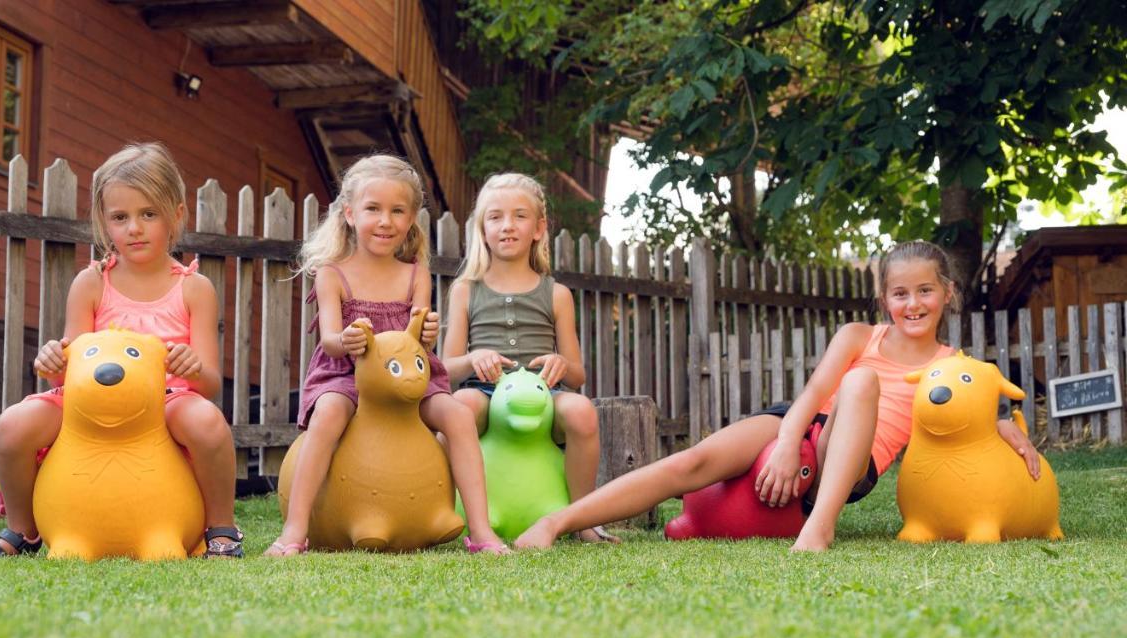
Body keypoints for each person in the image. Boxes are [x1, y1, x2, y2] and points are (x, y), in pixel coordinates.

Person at [514, 240, 1042, 552]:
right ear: (884, 298)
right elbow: (813, 393)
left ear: (947, 293)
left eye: (925, 291)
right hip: (800, 424)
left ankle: (820, 528)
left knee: (862, 383)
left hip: (848, 461)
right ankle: (558, 521)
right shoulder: (860, 336)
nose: (912, 304)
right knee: (693, 460)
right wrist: (789, 439)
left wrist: (1009, 431)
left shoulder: (954, 366)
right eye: (900, 293)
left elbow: (965, 422)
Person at [0, 142, 244, 557]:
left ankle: (221, 528)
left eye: (148, 214)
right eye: (120, 217)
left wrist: (191, 366)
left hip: (165, 400)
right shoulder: (92, 282)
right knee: (12, 427)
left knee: (208, 424)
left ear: (177, 215)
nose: (134, 227)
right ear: (103, 222)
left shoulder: (194, 289)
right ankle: (22, 530)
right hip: (86, 401)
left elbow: (209, 385)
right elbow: (70, 370)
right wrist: (53, 362)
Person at [264, 155, 507, 556]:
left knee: (458, 415)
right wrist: (348, 339)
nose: (385, 221)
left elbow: (419, 340)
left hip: (411, 377)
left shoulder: (415, 274)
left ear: (412, 218)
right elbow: (327, 339)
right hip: (345, 374)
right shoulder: (332, 272)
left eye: (397, 211)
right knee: (327, 416)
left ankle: (480, 531)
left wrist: (427, 334)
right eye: (373, 209)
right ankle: (295, 530)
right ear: (349, 213)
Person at [441, 172, 616, 544]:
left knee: (582, 411)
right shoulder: (465, 291)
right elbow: (446, 367)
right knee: (456, 407)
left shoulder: (557, 294)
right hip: (484, 392)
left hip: (545, 396)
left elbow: (578, 373)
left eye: (519, 216)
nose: (507, 226)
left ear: (538, 228)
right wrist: (474, 358)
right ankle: (447, 514)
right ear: (481, 229)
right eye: (496, 217)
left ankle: (582, 519)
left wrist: (561, 365)